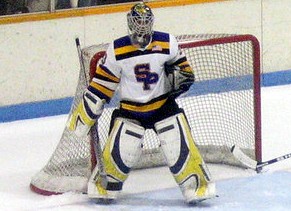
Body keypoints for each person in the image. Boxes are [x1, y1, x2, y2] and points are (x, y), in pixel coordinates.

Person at [67, 2, 216, 205]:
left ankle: (197, 185)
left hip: (162, 106)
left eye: (146, 23)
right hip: (131, 110)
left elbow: (185, 71)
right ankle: (105, 185)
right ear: (130, 23)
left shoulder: (167, 43)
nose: (142, 29)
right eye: (138, 23)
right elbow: (102, 84)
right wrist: (85, 113)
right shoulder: (117, 49)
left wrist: (181, 78)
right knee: (123, 147)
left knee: (177, 141)